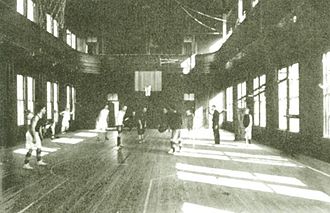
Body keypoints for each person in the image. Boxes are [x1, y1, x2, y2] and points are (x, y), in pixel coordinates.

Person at [23, 105, 48, 169]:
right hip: (31, 133)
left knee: (39, 147)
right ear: (41, 109)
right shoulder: (36, 117)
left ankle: (39, 161)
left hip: (35, 133)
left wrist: (41, 136)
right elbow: (32, 128)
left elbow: (38, 128)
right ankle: (26, 164)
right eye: (44, 109)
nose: (45, 110)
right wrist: (34, 137)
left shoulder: (40, 117)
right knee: (30, 149)